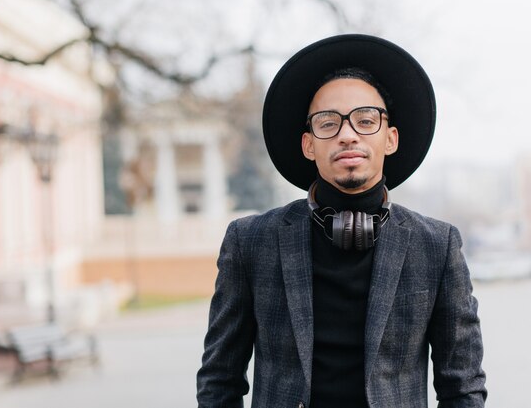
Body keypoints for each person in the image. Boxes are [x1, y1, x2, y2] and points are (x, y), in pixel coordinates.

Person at [197, 34, 486, 408]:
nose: (347, 135)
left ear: (390, 138)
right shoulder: (250, 241)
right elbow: (220, 378)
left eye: (365, 120)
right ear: (308, 144)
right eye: (328, 123)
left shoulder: (437, 245)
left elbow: (462, 386)